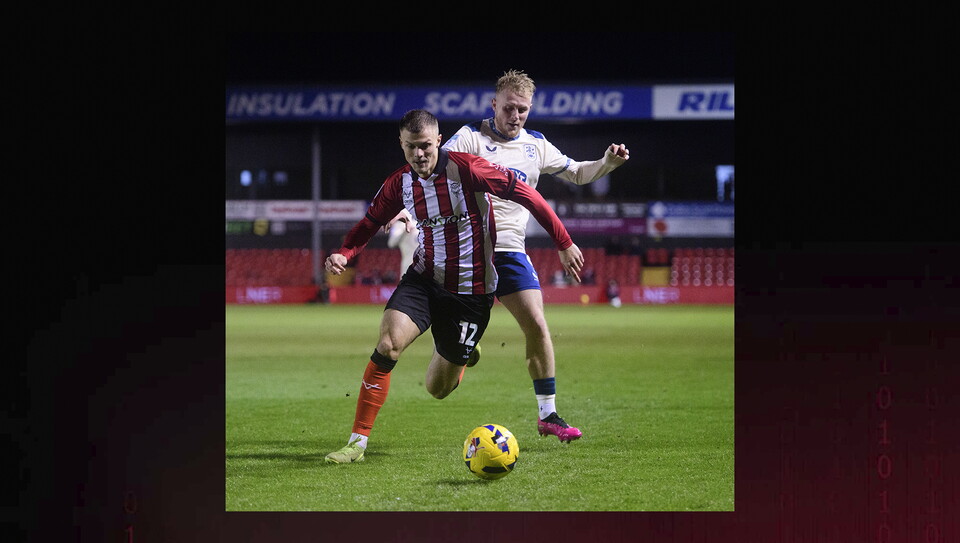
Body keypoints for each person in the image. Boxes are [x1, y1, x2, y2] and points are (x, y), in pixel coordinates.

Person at [324, 109, 583, 464]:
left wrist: (564, 241)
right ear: (401, 145)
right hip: (424, 279)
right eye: (411, 147)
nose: (419, 155)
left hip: (471, 293)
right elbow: (369, 223)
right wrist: (344, 252)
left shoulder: (467, 169)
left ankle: (459, 357)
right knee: (388, 344)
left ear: (439, 141)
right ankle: (357, 443)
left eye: (426, 146)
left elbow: (528, 195)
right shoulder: (399, 184)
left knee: (437, 389)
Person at [438, 69, 630, 441]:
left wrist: (607, 163)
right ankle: (458, 354)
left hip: (509, 251)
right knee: (439, 385)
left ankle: (548, 414)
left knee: (538, 325)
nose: (516, 116)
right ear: (494, 104)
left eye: (523, 110)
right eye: (509, 108)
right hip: (466, 251)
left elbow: (576, 172)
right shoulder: (469, 138)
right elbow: (432, 168)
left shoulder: (536, 145)